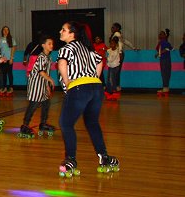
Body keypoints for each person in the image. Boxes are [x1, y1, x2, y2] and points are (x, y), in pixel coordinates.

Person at [57, 21, 119, 177]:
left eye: (63, 30)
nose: (60, 31)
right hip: (96, 88)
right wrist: (92, 79)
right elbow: (100, 62)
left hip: (79, 89)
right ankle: (104, 156)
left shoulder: (67, 48)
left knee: (66, 124)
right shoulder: (88, 48)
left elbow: (62, 64)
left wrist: (66, 81)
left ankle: (71, 159)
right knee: (92, 123)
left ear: (72, 34)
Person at [18, 36, 55, 137]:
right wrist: (50, 80)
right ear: (43, 45)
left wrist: (47, 85)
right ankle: (25, 125)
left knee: (46, 103)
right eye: (49, 44)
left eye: (52, 44)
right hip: (35, 84)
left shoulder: (49, 57)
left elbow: (46, 72)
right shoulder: (41, 57)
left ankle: (43, 123)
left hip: (43, 83)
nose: (51, 45)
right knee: (33, 105)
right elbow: (41, 71)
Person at [109, 22, 139, 92]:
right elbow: (125, 41)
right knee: (117, 71)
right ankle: (117, 86)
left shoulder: (117, 34)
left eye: (113, 27)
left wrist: (120, 53)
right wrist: (133, 48)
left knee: (115, 71)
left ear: (117, 28)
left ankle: (116, 87)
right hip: (117, 53)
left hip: (118, 54)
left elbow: (120, 44)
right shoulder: (118, 34)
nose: (111, 28)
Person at [0, 26, 17, 95]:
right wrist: (1, 58)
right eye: (4, 30)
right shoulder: (0, 40)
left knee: (9, 73)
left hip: (9, 59)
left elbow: (13, 48)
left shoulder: (11, 39)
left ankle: (11, 87)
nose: (5, 31)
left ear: (9, 31)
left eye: (7, 30)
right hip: (3, 60)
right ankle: (4, 87)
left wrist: (11, 58)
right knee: (4, 74)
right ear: (2, 31)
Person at [155, 29, 173, 96]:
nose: (159, 35)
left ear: (164, 35)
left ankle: (165, 88)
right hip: (165, 59)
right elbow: (158, 48)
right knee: (166, 73)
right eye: (159, 34)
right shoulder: (162, 42)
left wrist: (158, 54)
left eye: (161, 34)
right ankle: (166, 87)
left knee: (165, 73)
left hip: (165, 60)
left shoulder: (164, 42)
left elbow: (167, 49)